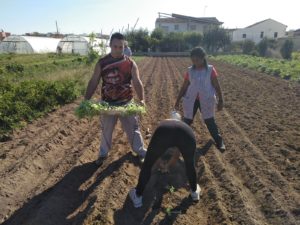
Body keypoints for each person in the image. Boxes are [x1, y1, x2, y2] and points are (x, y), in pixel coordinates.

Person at [84, 32, 147, 166]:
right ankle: (102, 155)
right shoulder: (102, 63)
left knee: (133, 129)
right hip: (107, 104)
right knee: (106, 130)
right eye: (115, 46)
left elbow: (137, 82)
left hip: (126, 103)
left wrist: (142, 100)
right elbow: (94, 81)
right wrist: (86, 100)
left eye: (121, 47)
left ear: (124, 47)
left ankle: (141, 152)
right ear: (110, 45)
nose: (118, 50)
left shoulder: (130, 63)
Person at [129, 118, 201, 208]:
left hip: (163, 134)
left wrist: (161, 164)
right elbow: (176, 155)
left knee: (148, 164)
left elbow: (155, 152)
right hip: (188, 137)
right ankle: (194, 192)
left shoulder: (162, 126)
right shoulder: (184, 128)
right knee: (189, 164)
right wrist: (166, 166)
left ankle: (138, 196)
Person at [174, 47, 226, 151]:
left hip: (206, 99)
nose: (195, 62)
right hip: (191, 99)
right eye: (193, 60)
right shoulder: (190, 71)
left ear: (203, 58)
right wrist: (178, 99)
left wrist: (221, 100)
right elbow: (184, 86)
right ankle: (178, 142)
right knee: (187, 120)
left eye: (197, 60)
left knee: (209, 120)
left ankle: (219, 140)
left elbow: (216, 85)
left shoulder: (210, 70)